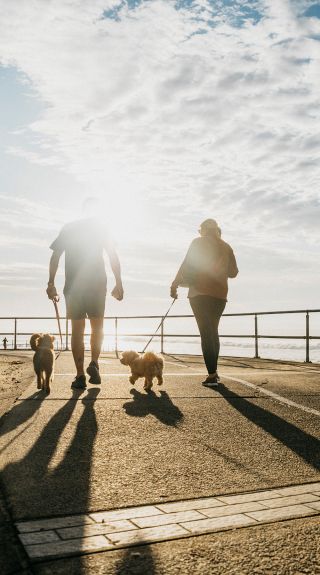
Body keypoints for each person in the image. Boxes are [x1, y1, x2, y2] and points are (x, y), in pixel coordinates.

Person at [46, 197, 124, 389]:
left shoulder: (69, 228)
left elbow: (55, 256)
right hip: (97, 284)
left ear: (83, 210)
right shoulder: (102, 228)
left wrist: (51, 283)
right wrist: (119, 282)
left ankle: (80, 375)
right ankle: (94, 363)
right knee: (98, 327)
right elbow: (113, 255)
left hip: (74, 286)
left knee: (77, 331)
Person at [170, 219, 238, 388]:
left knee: (205, 332)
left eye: (200, 230)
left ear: (204, 230)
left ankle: (212, 375)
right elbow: (233, 273)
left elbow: (186, 264)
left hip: (199, 293)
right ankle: (214, 372)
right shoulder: (226, 246)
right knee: (213, 332)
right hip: (220, 296)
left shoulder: (197, 243)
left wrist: (174, 284)